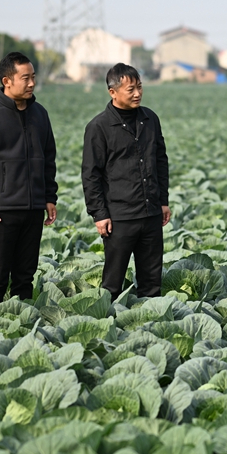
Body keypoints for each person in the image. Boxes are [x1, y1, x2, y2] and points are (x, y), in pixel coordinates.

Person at [0, 52, 57, 305]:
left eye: (33, 77)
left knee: (25, 276)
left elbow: (48, 158)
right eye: (25, 78)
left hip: (34, 208)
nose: (31, 83)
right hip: (1, 211)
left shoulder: (40, 114)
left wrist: (49, 197)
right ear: (7, 81)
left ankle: (23, 326)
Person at [82, 63, 170, 300]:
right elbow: (91, 174)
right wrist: (99, 214)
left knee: (152, 281)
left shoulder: (150, 119)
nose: (138, 93)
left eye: (140, 87)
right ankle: (107, 325)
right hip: (119, 215)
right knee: (113, 280)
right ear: (113, 92)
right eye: (131, 89)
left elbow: (160, 161)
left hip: (150, 211)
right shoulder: (99, 127)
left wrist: (163, 201)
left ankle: (150, 324)